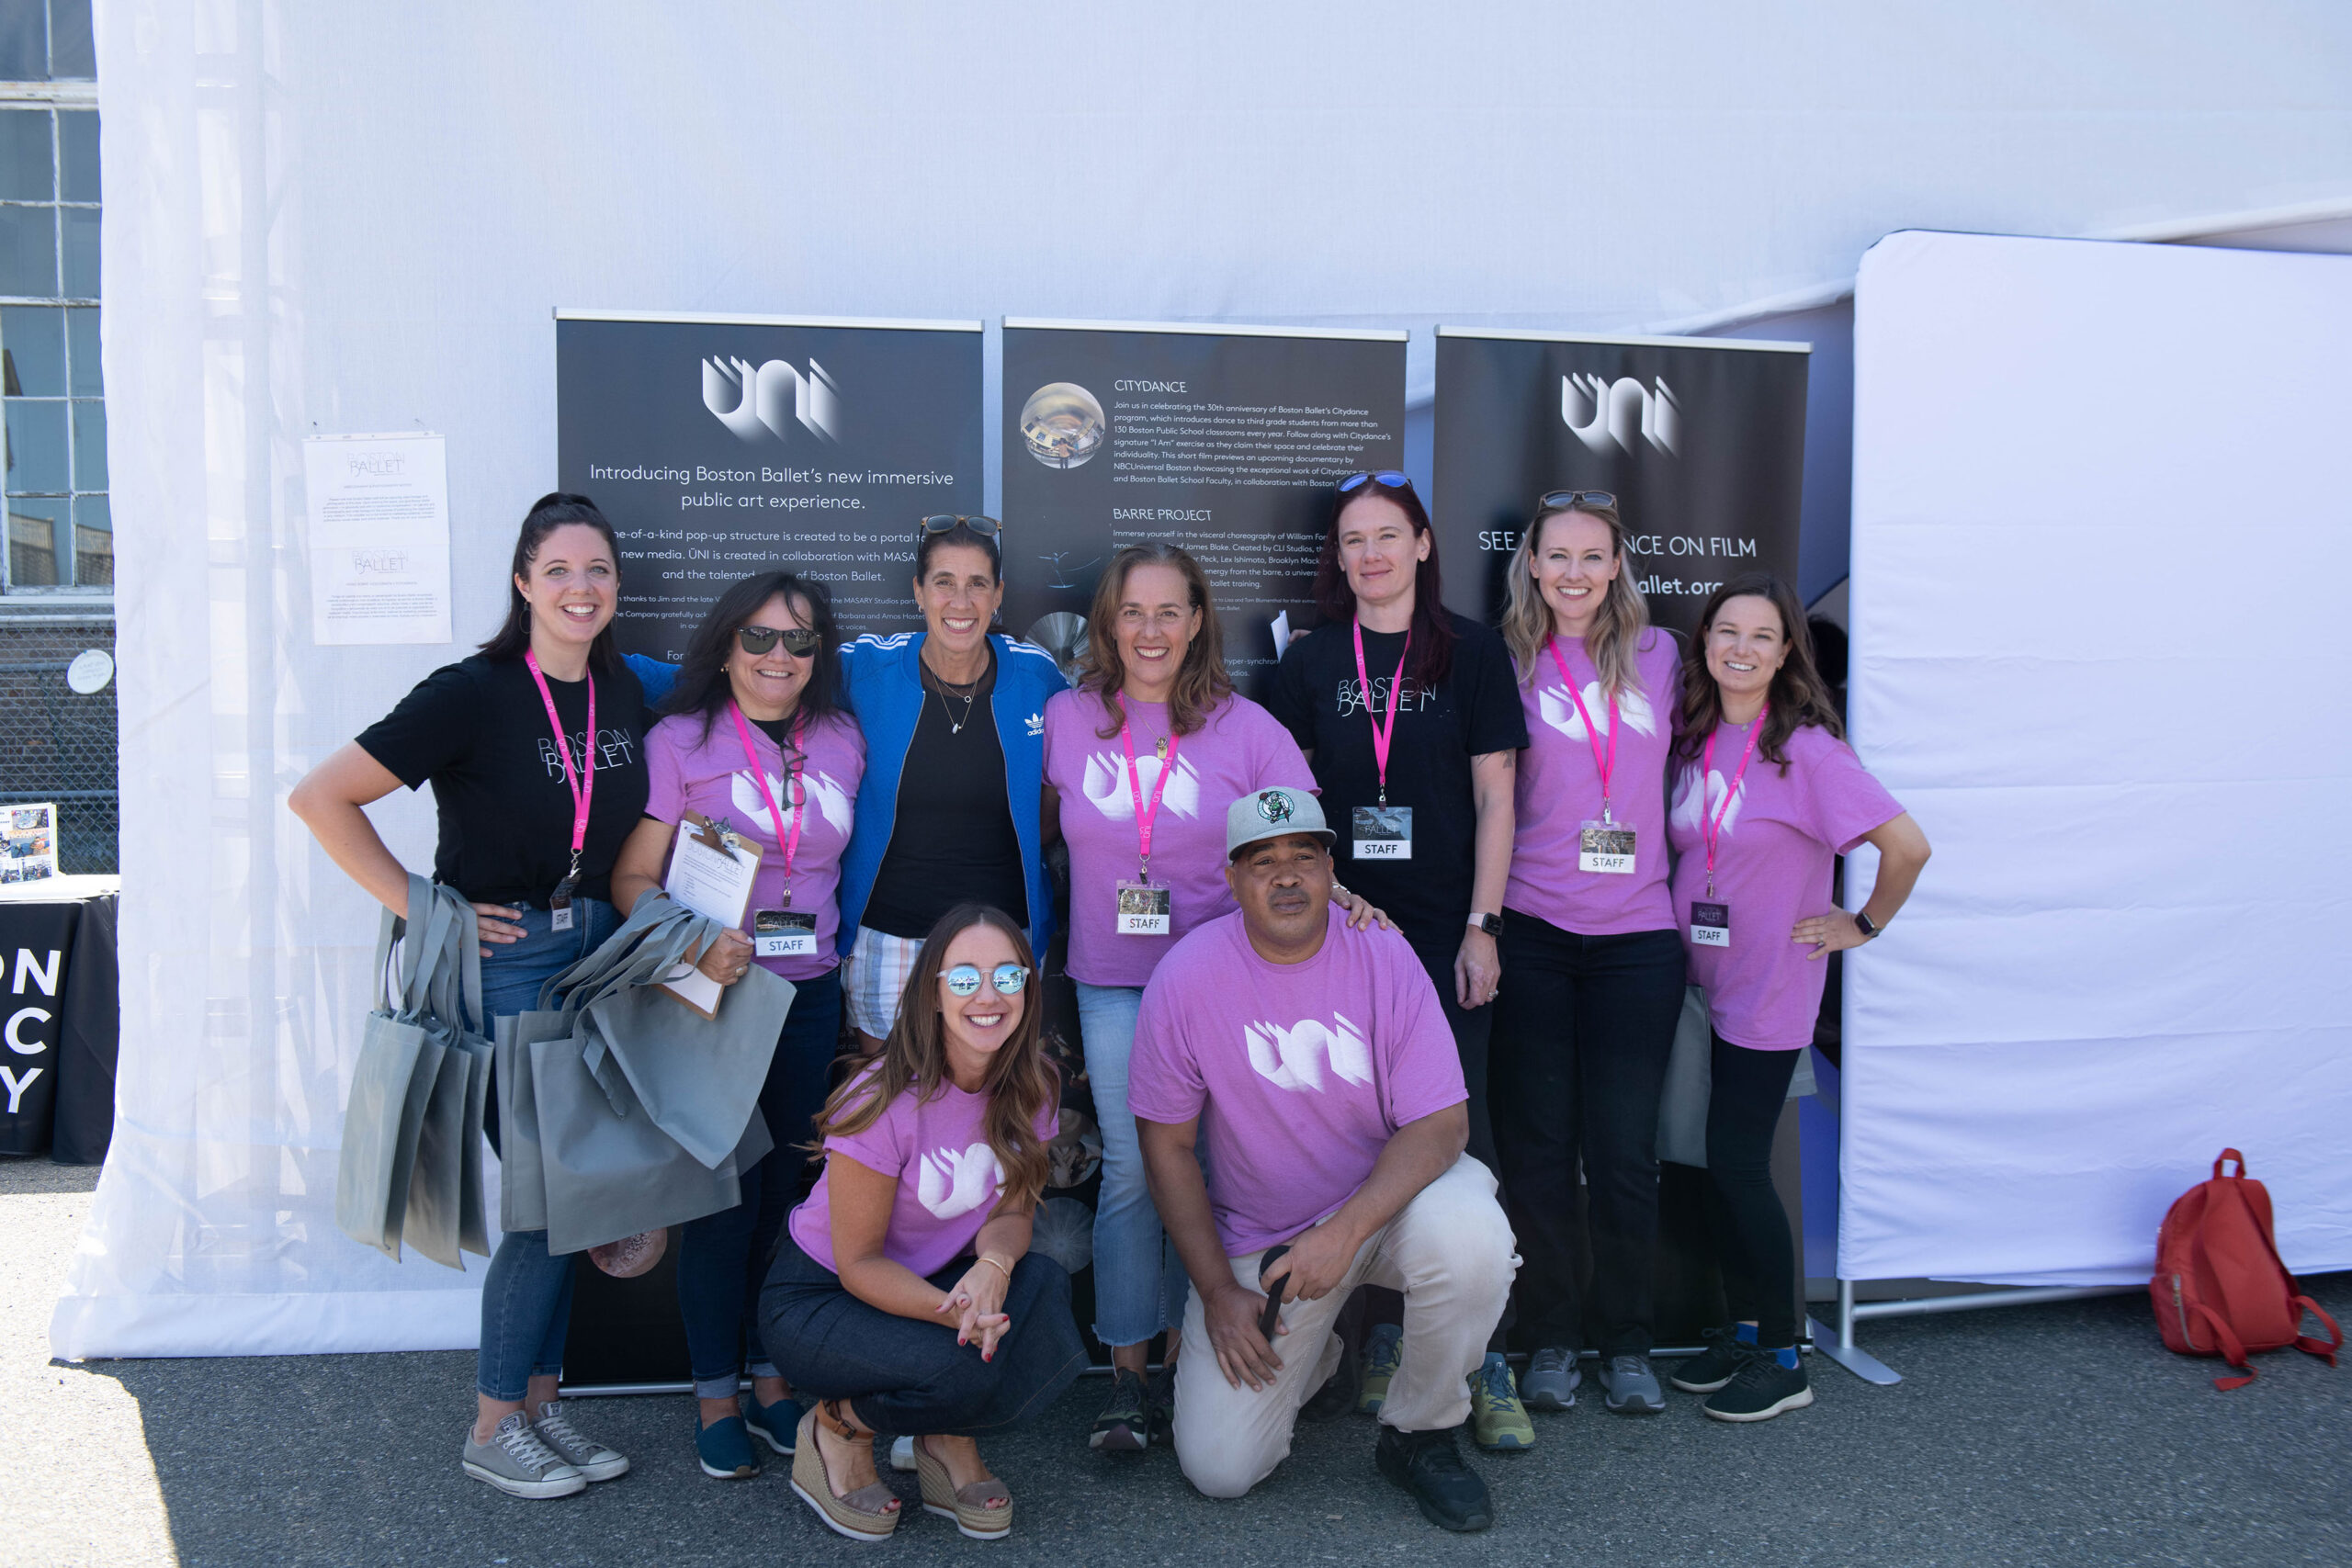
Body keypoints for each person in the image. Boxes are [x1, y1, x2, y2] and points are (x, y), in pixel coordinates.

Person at [291, 492, 706, 1499]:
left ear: (617, 587)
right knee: (543, 1203)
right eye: (559, 570)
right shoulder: (469, 694)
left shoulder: (627, 688)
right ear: (522, 582)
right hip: (510, 962)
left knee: (577, 1198)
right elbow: (320, 796)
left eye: (598, 570)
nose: (580, 588)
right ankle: (491, 1424)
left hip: (602, 958)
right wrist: (426, 907)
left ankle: (542, 1405)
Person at [1041, 543, 1381, 1450]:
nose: (1151, 631)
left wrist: (1346, 902)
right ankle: (1125, 1375)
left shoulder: (1246, 728)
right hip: (1112, 980)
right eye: (1133, 612)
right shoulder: (1068, 718)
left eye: (1170, 612)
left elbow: (1305, 848)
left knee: (1224, 1172)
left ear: (1197, 622)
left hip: (1225, 984)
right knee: (1129, 1172)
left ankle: (1216, 1356)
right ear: (1110, 624)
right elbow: (1040, 835)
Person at [1130, 787, 1517, 1531]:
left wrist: (1345, 1230)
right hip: (1270, 1240)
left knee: (1474, 1238)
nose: (1285, 876)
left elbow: (1442, 1123)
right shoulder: (1185, 976)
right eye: (1263, 861)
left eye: (1303, 857)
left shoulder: (1383, 950)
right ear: (1234, 879)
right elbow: (1168, 1148)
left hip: (1391, 1207)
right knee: (1220, 1469)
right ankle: (1321, 1352)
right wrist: (1216, 1291)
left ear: (1329, 868)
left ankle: (1421, 1433)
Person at [1263, 471, 1532, 1448]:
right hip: (1343, 937)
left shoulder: (1470, 655)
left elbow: (1498, 800)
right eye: (1351, 541)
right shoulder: (1310, 661)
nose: (1369, 554)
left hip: (1444, 935)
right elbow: (1282, 806)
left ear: (1422, 543)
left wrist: (1483, 927)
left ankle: (1482, 1353)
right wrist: (1326, 897)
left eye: (1388, 535)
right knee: (1355, 1133)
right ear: (1336, 559)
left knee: (1461, 1130)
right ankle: (1383, 1340)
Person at [608, 571, 865, 1481]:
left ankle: (767, 1378)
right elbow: (632, 881)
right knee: (724, 1204)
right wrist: (695, 946)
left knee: (789, 1203)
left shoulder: (838, 738)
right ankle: (714, 1392)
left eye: (799, 642)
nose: (778, 658)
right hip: (716, 1001)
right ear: (725, 647)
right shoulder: (681, 741)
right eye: (758, 638)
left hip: (809, 996)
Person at [1663, 574, 1929, 1422]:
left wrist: (1864, 924)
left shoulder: (1808, 749)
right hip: (1696, 982)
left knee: (1739, 1164)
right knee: (1704, 1168)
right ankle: (1744, 1330)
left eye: (1762, 636)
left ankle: (1786, 1352)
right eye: (1726, 632)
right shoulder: (1697, 734)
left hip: (1768, 989)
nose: (1740, 648)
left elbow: (1908, 846)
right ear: (1705, 642)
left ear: (1786, 654)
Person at [763, 904, 1086, 1542]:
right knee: (966, 1363)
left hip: (941, 1275)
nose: (988, 995)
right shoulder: (882, 1097)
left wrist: (992, 1268)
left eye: (1007, 975)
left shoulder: (1036, 1083)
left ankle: (943, 1436)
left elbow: (1014, 1208)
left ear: (1029, 983)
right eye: (964, 978)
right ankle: (838, 1424)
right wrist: (955, 1312)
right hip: (823, 1296)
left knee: (1043, 1288)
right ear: (933, 992)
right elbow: (858, 1263)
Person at [1487, 491, 1688, 1418]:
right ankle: (1552, 1339)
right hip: (1532, 929)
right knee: (1537, 1152)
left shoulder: (1661, 656)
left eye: (1590, 557)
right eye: (1556, 555)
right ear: (1532, 563)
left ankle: (1629, 1341)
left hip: (1638, 940)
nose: (1572, 572)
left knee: (1621, 1153)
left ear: (1616, 567)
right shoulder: (1507, 658)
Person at [835, 517, 1068, 1054]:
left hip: (1003, 940)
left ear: (998, 595)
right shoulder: (867, 666)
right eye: (943, 581)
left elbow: (1081, 755)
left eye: (977, 583)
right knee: (882, 1107)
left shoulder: (1037, 677)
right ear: (918, 592)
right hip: (889, 935)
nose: (960, 601)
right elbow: (767, 673)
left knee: (993, 1113)